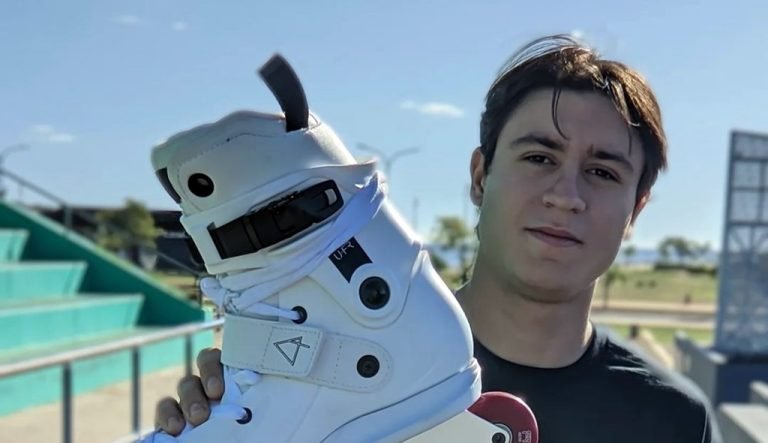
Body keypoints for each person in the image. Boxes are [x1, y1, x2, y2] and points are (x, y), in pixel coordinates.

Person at [153, 34, 722, 442]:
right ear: (480, 176)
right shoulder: (315, 366)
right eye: (539, 157)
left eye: (602, 172)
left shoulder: (674, 421)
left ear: (636, 208)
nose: (565, 195)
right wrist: (233, 411)